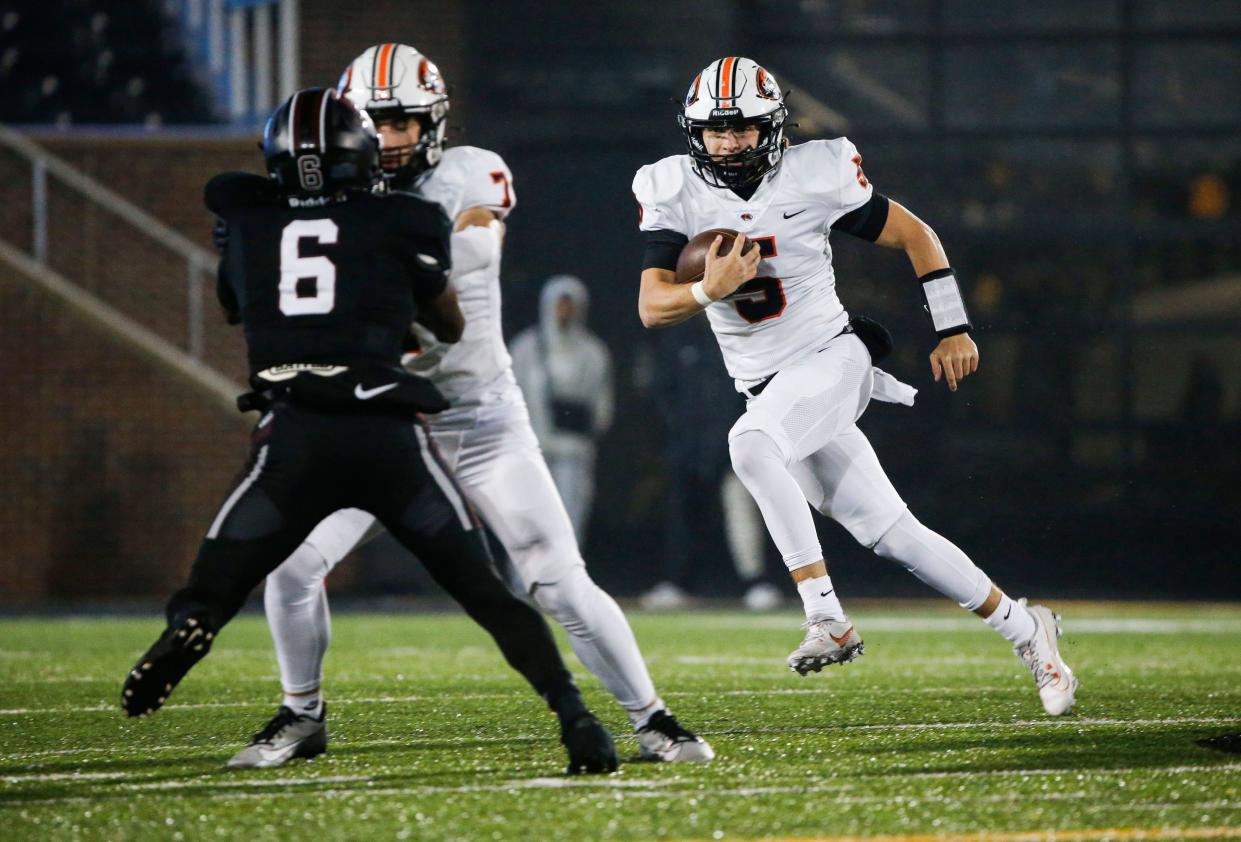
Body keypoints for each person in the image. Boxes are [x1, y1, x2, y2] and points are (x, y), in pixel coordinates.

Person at [227, 45, 711, 769]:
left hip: (477, 416)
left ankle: (654, 720)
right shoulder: (326, 200)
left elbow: (479, 245)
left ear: (434, 122)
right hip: (377, 425)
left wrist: (385, 263)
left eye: (402, 121)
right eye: (374, 121)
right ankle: (302, 715)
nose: (388, 138)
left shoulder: (467, 171)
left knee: (554, 574)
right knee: (292, 564)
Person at [121, 87, 619, 777]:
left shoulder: (246, 209)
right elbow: (448, 326)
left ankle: (203, 632)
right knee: (482, 589)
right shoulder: (403, 217)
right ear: (360, 151)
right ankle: (576, 716)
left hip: (292, 432)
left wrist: (244, 242)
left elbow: (234, 291)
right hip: (385, 435)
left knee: (233, 572)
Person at [632, 57, 1078, 716]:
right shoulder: (672, 187)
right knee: (891, 533)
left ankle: (825, 617)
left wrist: (952, 326)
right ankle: (1026, 628)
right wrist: (705, 290)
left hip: (830, 357)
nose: (726, 143)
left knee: (750, 448)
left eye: (742, 129)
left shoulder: (815, 173)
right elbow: (650, 305)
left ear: (773, 126)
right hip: (770, 388)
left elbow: (915, 235)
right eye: (713, 130)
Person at [510, 274, 615, 540]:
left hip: (573, 450)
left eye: (570, 304)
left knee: (569, 517)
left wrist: (589, 426)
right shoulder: (526, 348)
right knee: (529, 518)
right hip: (531, 448)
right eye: (559, 304)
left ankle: (563, 579)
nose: (564, 311)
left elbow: (602, 402)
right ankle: (526, 580)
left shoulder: (593, 352)